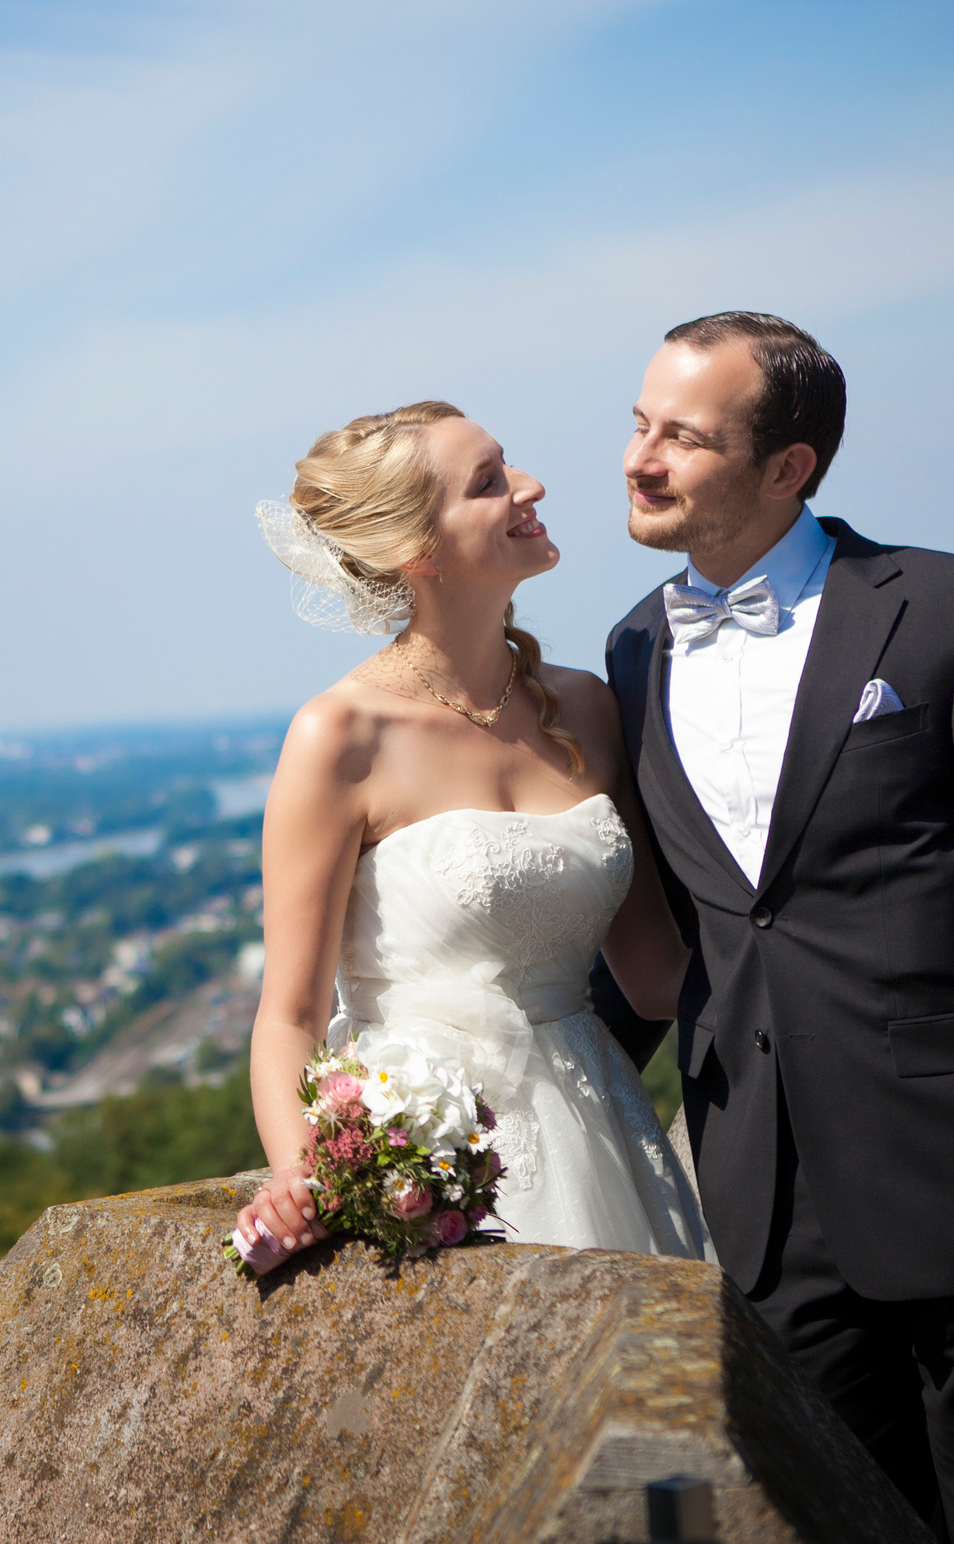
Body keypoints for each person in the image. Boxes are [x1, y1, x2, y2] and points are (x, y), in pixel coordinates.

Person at [605, 312, 954, 1543]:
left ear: (786, 467)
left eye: (683, 437)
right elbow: (681, 932)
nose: (639, 459)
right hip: (760, 1206)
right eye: (638, 425)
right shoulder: (634, 648)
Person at [234, 401, 711, 1266]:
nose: (531, 486)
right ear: (418, 550)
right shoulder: (339, 735)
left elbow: (653, 978)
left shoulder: (588, 706)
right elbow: (290, 1016)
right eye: (489, 482)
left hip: (606, 1139)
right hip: (439, 1164)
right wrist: (307, 1175)